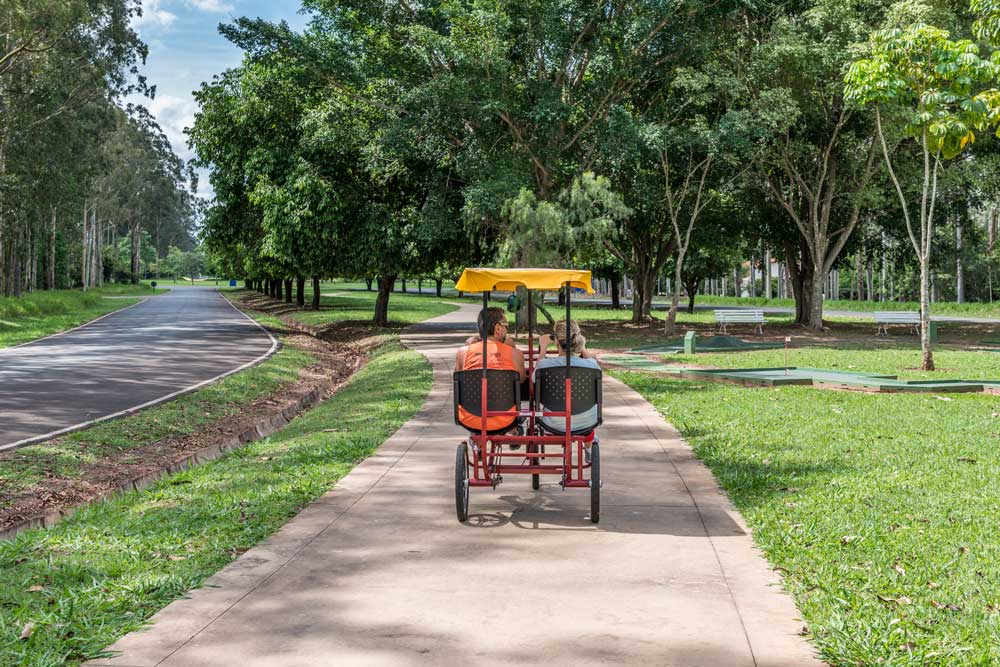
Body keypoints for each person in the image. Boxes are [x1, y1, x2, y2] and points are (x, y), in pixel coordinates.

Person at [454, 307, 526, 433]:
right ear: (498, 328)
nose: (507, 331)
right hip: (506, 419)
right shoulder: (515, 354)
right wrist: (511, 347)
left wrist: (468, 346)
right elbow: (521, 379)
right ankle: (513, 431)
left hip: (470, 419)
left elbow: (457, 379)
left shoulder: (463, 353)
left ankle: (477, 440)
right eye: (506, 326)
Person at [534, 319, 600, 435]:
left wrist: (543, 348)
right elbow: (596, 369)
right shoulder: (592, 366)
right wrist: (582, 347)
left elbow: (533, 379)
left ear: (556, 340)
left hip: (554, 422)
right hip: (587, 421)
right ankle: (590, 442)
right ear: (578, 339)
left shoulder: (544, 365)